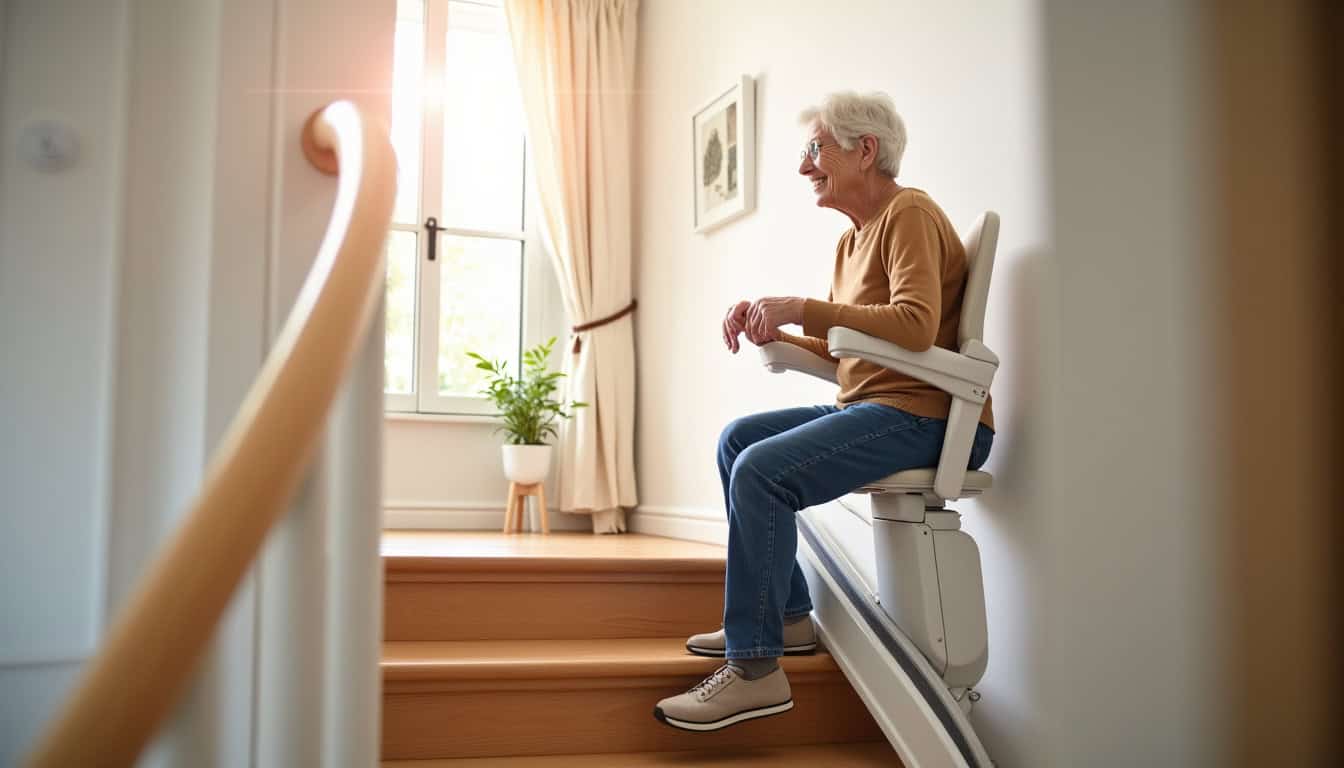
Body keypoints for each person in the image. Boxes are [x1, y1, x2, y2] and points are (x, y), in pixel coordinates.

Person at [653, 91, 995, 732]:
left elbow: (916, 327)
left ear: (865, 150)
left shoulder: (909, 212)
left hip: (930, 417)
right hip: (879, 404)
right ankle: (786, 620)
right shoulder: (851, 242)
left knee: (761, 470)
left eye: (815, 149)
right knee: (738, 442)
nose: (803, 166)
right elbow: (851, 352)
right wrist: (774, 332)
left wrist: (803, 308)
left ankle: (755, 670)